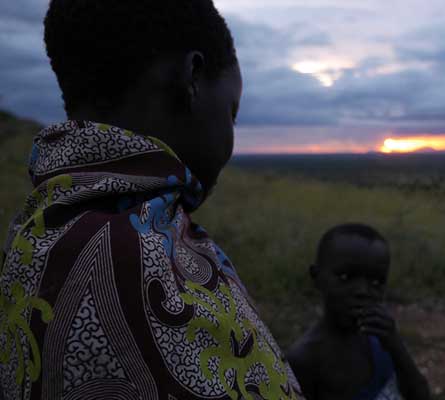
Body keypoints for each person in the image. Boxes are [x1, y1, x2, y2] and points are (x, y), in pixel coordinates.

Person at [0, 1, 303, 399]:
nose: (230, 136)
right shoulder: (125, 254)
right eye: (232, 112)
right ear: (192, 77)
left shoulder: (36, 229)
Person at [287, 224, 431, 400]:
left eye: (376, 282)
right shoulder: (305, 359)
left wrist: (396, 346)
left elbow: (420, 395)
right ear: (317, 277)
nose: (363, 291)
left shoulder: (381, 338)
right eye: (345, 277)